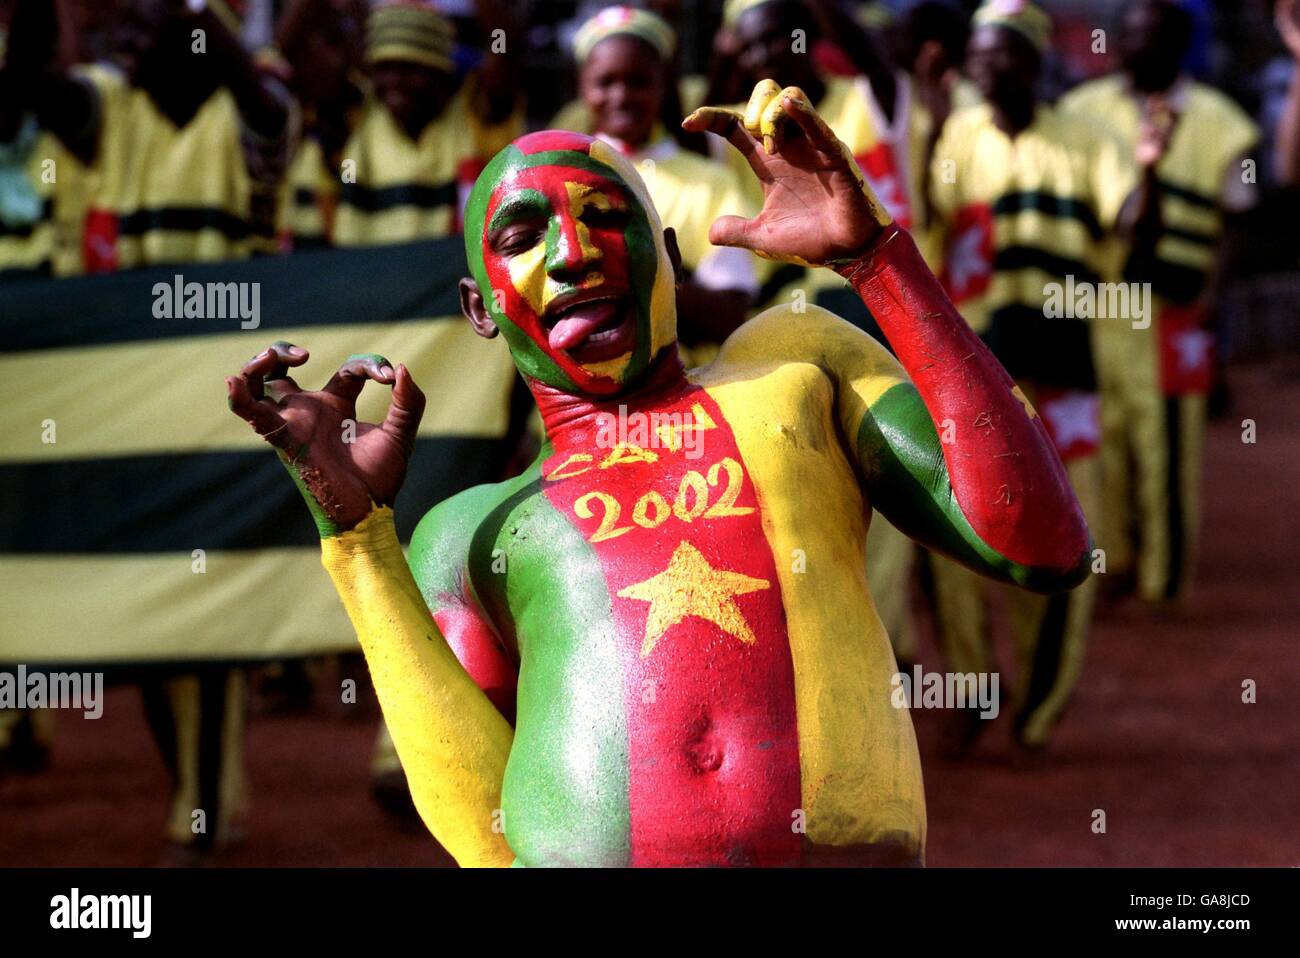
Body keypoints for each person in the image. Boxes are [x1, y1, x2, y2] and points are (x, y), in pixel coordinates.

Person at [226, 80, 1091, 866]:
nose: (573, 254)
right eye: (523, 236)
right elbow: (482, 834)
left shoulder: (797, 365)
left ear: (668, 254)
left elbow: (1037, 543)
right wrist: (356, 540)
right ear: (478, 308)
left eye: (606, 217)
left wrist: (877, 260)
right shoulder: (469, 531)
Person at [7, 0, 295, 857]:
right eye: (119, 29)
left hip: (220, 406)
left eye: (146, 27)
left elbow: (265, 108)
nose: (124, 43)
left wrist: (203, 23)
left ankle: (205, 816)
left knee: (207, 613)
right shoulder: (110, 111)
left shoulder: (249, 110)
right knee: (158, 614)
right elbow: (29, 80)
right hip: (134, 404)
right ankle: (201, 802)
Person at [925, 0, 1135, 751]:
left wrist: (1145, 179)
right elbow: (926, 219)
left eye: (1004, 53)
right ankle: (976, 686)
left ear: (1034, 60)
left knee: (1070, 531)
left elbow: (1127, 213)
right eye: (980, 57)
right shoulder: (953, 135)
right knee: (961, 529)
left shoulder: (1089, 138)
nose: (990, 68)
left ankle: (1041, 706)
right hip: (975, 371)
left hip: (1065, 366)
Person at [1061, 0, 1259, 605]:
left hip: (1176, 305)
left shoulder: (1224, 122)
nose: (1129, 47)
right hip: (1099, 303)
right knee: (1108, 436)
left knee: (1169, 443)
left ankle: (1165, 581)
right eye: (1126, 36)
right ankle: (1114, 558)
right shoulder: (1080, 110)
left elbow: (1239, 218)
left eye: (1146, 37)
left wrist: (1214, 295)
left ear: (1176, 45)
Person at [568, 5, 757, 352]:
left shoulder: (711, 183)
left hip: (684, 400)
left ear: (664, 84)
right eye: (605, 82)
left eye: (638, 81)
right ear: (582, 87)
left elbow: (729, 317)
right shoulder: (558, 176)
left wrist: (624, 273)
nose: (621, 97)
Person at [331, 0, 521, 247]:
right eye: (384, 68)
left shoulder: (475, 113)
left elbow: (506, 42)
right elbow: (289, 49)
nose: (395, 82)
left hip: (452, 281)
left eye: (410, 69)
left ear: (441, 74)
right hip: (362, 279)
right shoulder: (359, 114)